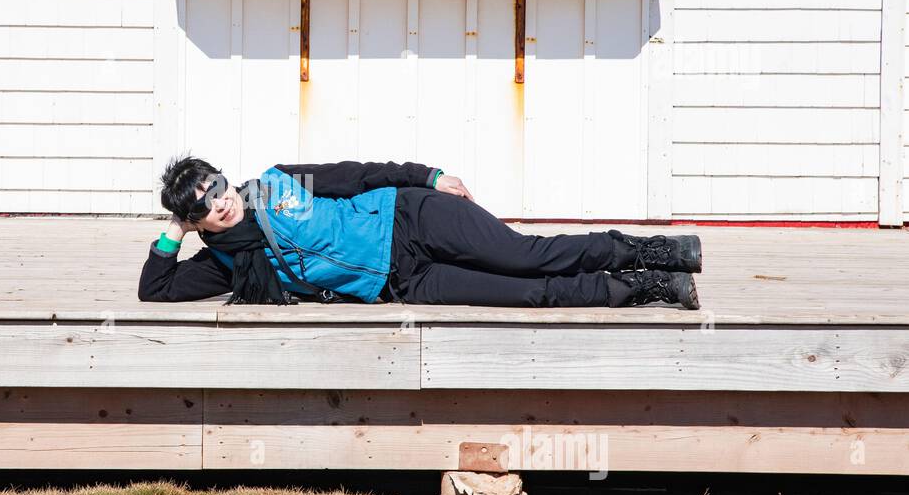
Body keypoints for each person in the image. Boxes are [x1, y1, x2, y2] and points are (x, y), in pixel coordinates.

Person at [138, 156, 701, 309]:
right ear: (195, 222)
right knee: (528, 294)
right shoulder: (228, 265)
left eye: (215, 187)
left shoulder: (281, 181)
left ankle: (652, 250)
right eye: (201, 208)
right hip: (404, 283)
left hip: (411, 217)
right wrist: (173, 230)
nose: (220, 203)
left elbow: (358, 176)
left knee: (525, 258)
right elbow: (155, 290)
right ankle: (649, 287)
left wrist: (428, 177)